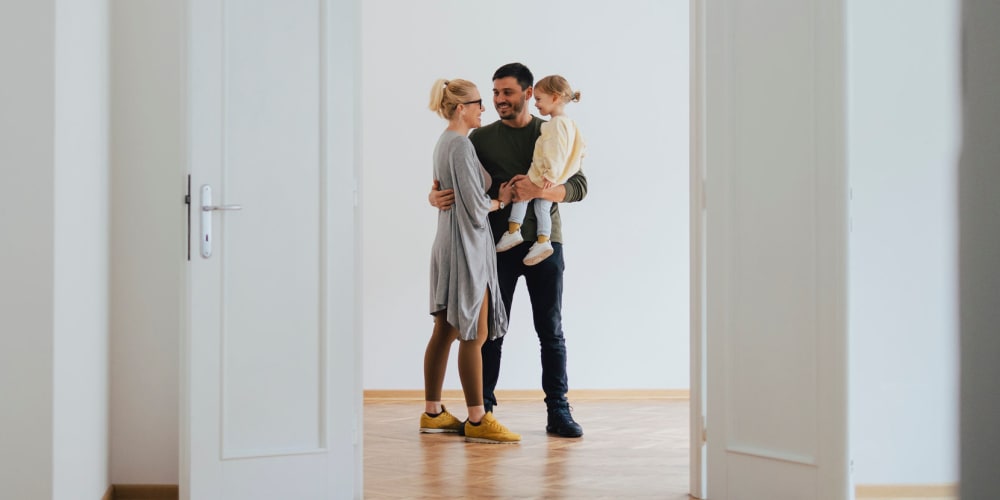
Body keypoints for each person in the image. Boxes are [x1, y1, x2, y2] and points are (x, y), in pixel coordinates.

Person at [429, 63, 587, 438]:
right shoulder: (479, 139)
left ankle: (558, 411)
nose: (499, 100)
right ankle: (482, 409)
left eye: (507, 93)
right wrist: (434, 195)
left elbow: (579, 185)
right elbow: (457, 181)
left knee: (550, 330)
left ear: (529, 94)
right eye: (494, 93)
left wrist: (540, 192)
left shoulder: (552, 130)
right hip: (493, 247)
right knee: (491, 331)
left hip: (546, 245)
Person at [420, 77, 520, 444]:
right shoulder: (460, 145)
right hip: (466, 247)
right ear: (461, 107)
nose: (485, 107)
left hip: (449, 242)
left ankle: (433, 412)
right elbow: (475, 207)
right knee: (474, 335)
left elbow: (448, 194)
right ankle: (478, 418)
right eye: (479, 102)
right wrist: (503, 201)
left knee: (445, 331)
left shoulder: (444, 142)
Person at [496, 75, 587, 267]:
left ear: (554, 97)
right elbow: (581, 149)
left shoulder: (554, 125)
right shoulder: (570, 124)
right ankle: (543, 241)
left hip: (544, 175)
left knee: (521, 195)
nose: (535, 103)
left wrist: (550, 175)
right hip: (553, 178)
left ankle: (513, 231)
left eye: (538, 99)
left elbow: (556, 151)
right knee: (542, 207)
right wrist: (558, 176)